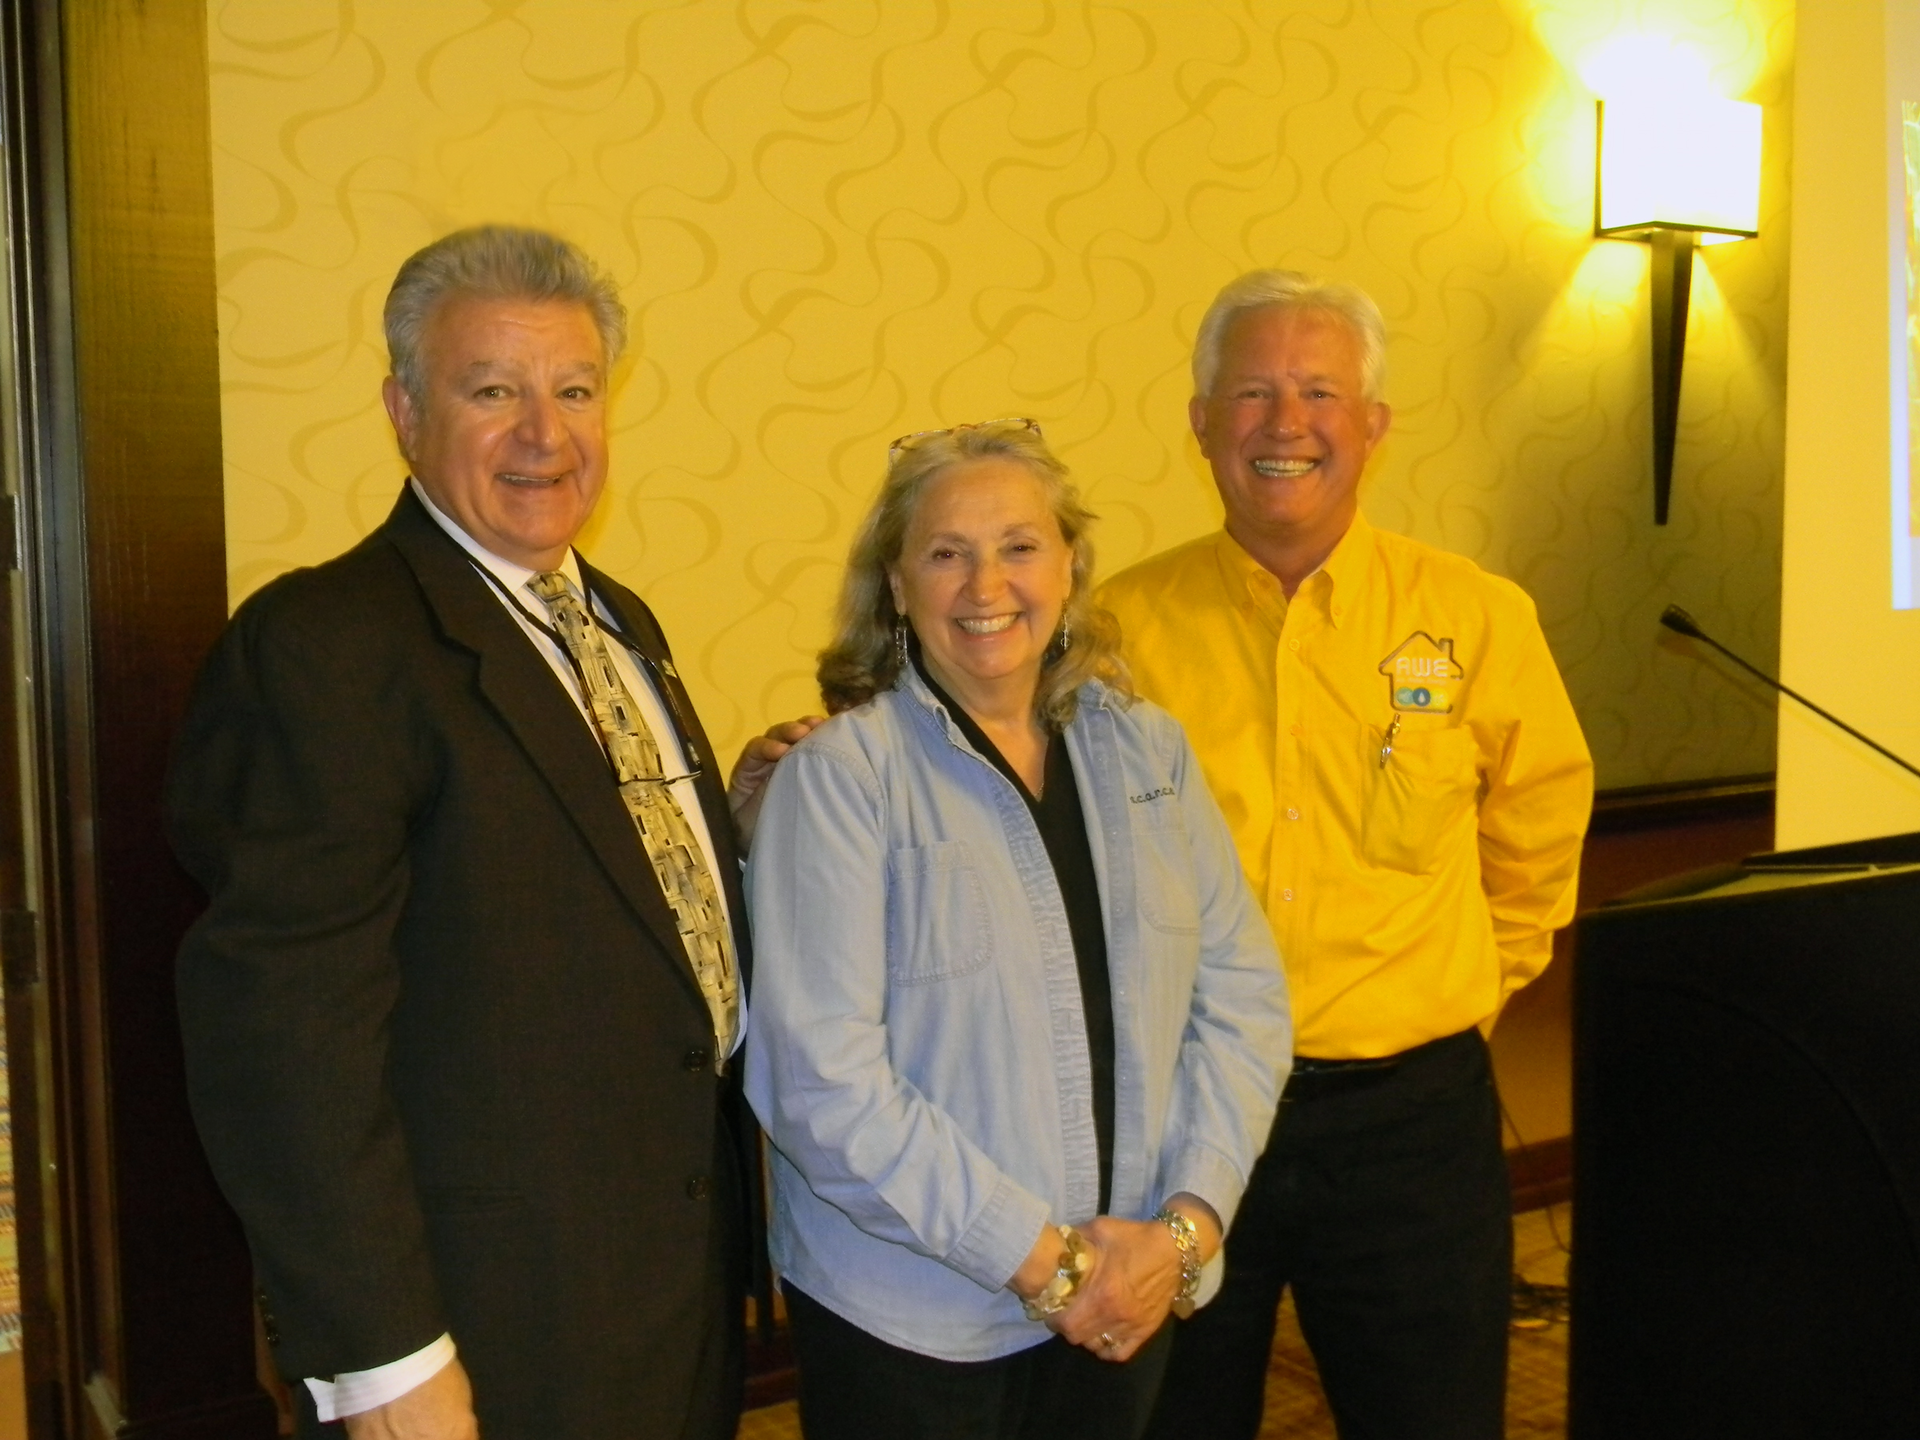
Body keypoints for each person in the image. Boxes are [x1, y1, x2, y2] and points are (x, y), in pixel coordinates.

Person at [169, 226, 757, 1440]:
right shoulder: (327, 646)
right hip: (486, 1329)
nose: (545, 433)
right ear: (403, 410)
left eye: (575, 389)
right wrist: (384, 1362)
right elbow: (283, 1038)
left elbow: (597, 896)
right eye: (493, 391)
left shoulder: (619, 621)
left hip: (672, 1285)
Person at [1100, 271, 1594, 1440]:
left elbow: (1539, 830)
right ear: (1202, 422)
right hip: (1182, 1121)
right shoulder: (1115, 629)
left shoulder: (1476, 618)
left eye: (1320, 391)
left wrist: (1458, 995)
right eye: (1253, 392)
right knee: (1170, 1424)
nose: (1286, 423)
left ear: (1372, 425)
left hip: (1407, 1127)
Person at [742, 419, 1292, 1440]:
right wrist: (1055, 1266)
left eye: (1020, 547)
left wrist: (1182, 1232)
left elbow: (1244, 1002)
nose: (985, 584)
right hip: (912, 1326)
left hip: (1125, 1301)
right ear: (897, 587)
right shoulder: (843, 781)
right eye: (945, 553)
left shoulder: (1148, 753)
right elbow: (823, 1086)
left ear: (1071, 566)